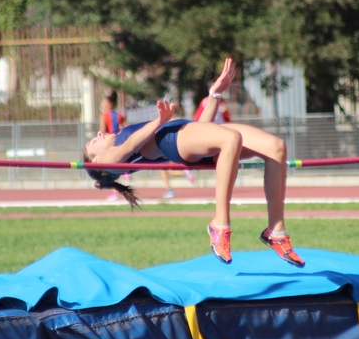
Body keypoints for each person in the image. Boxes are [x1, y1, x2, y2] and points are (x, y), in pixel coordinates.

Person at [82, 58, 304, 267]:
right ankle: (220, 225)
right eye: (94, 141)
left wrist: (215, 93)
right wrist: (159, 121)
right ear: (97, 160)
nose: (100, 134)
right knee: (231, 138)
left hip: (188, 135)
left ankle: (276, 231)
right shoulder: (109, 161)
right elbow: (129, 146)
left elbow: (202, 127)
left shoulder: (120, 140)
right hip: (170, 140)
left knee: (276, 147)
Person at [98, 91, 128, 200]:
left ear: (110, 104)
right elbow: (128, 128)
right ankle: (124, 174)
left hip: (110, 144)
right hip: (119, 142)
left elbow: (102, 131)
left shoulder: (104, 115)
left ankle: (114, 192)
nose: (102, 104)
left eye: (104, 102)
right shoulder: (119, 116)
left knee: (109, 168)